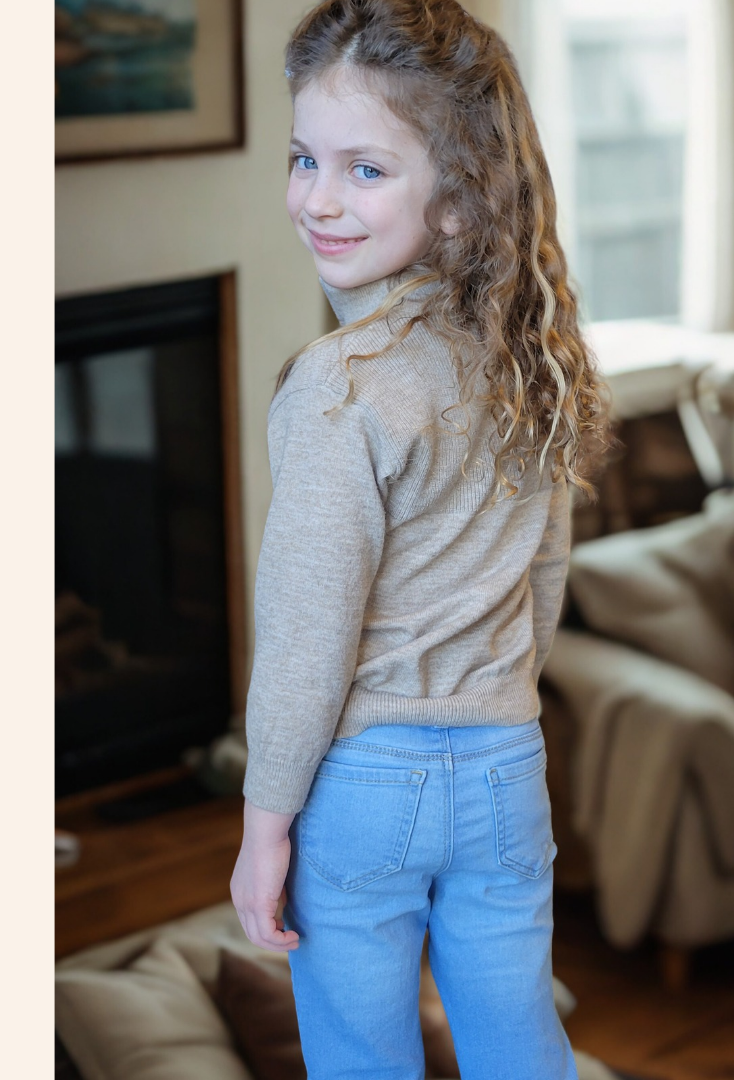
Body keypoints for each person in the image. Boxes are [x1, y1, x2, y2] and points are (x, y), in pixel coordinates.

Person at [230, 2, 615, 1077]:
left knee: (362, 1060)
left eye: (365, 170)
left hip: (363, 784)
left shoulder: (337, 387)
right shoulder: (532, 361)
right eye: (306, 158)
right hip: (505, 765)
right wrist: (490, 702)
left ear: (455, 201)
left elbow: (308, 637)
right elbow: (543, 579)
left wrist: (265, 832)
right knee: (521, 1047)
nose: (315, 198)